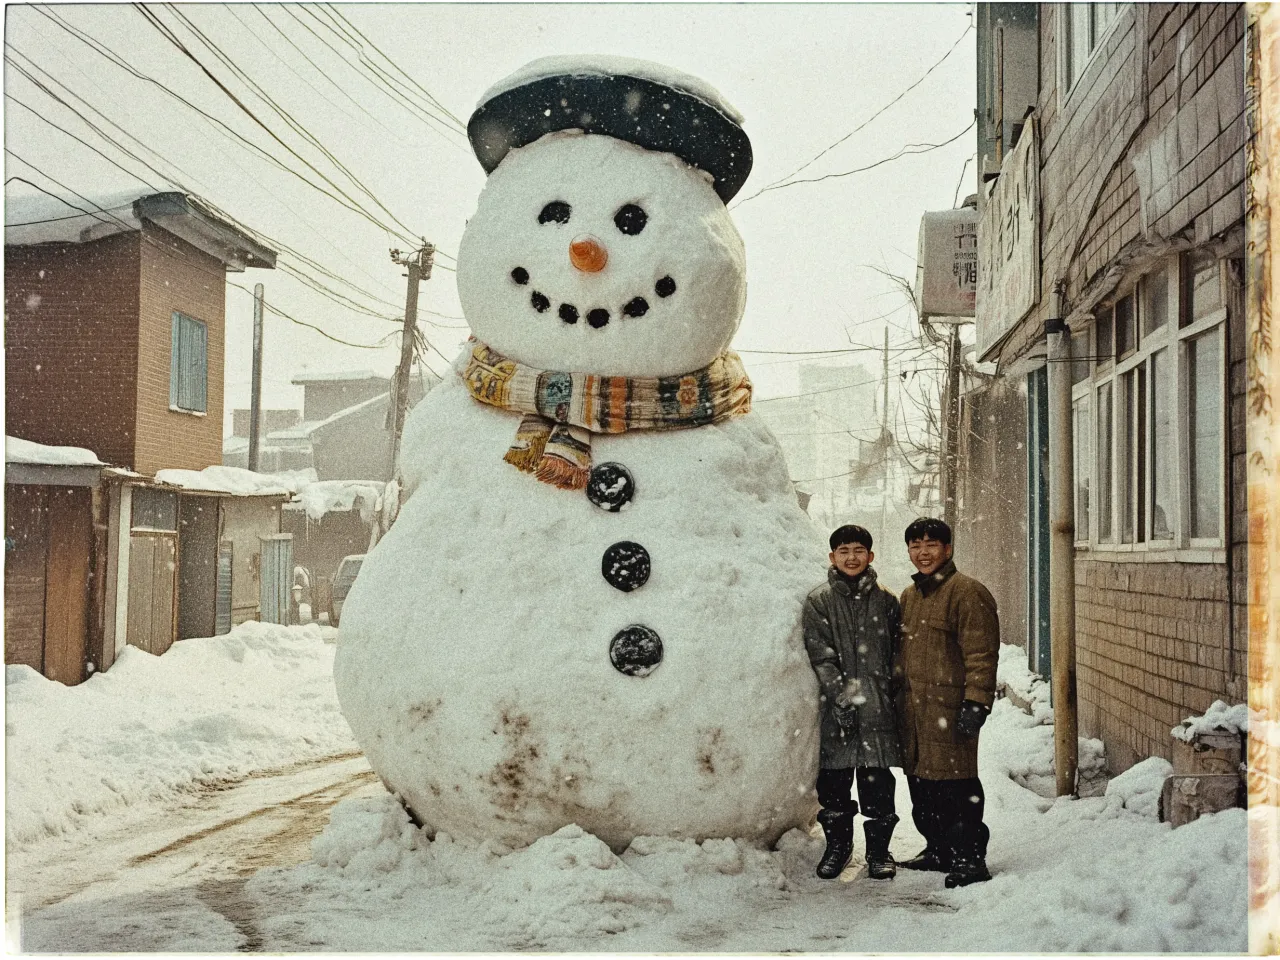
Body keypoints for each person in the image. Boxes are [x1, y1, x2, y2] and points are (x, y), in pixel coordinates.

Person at [895, 516, 1000, 888]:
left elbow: (981, 654)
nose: (923, 553)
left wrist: (976, 703)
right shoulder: (910, 596)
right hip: (915, 713)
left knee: (958, 786)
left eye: (931, 545)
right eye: (915, 546)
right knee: (922, 786)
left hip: (950, 711)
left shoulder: (967, 592)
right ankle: (938, 849)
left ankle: (970, 858)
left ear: (948, 549)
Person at [802, 524, 902, 881]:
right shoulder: (819, 602)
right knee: (834, 785)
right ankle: (838, 847)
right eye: (843, 551)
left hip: (877, 708)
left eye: (859, 550)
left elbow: (896, 656)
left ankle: (878, 852)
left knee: (877, 783)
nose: (852, 558)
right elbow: (822, 656)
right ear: (832, 557)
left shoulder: (888, 602)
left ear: (870, 556)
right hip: (835, 710)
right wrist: (842, 698)